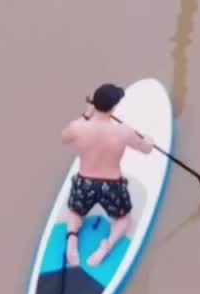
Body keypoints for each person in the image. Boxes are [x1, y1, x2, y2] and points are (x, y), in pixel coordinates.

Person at [61, 82, 153, 270]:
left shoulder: (78, 127)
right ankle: (107, 246)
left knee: (76, 212)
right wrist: (148, 139)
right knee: (123, 219)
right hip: (111, 185)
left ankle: (72, 242)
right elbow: (147, 149)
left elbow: (64, 138)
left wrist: (86, 115)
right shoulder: (123, 132)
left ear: (94, 104)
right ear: (114, 107)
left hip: (84, 182)